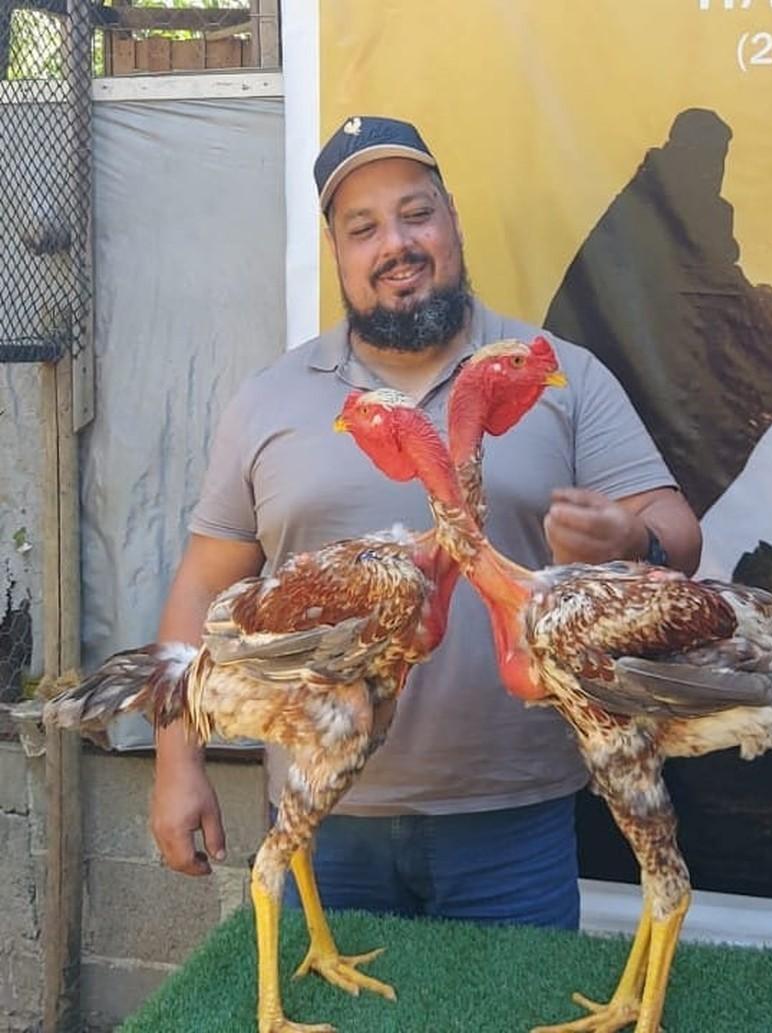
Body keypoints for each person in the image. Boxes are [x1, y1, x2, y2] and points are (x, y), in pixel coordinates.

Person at [150, 115, 702, 929]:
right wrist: (174, 763)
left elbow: (679, 536)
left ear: (453, 222)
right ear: (336, 252)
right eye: (362, 227)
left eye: (416, 213)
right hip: (320, 814)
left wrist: (630, 542)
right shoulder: (270, 398)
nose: (395, 245)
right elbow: (202, 583)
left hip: (514, 816)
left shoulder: (553, 372)